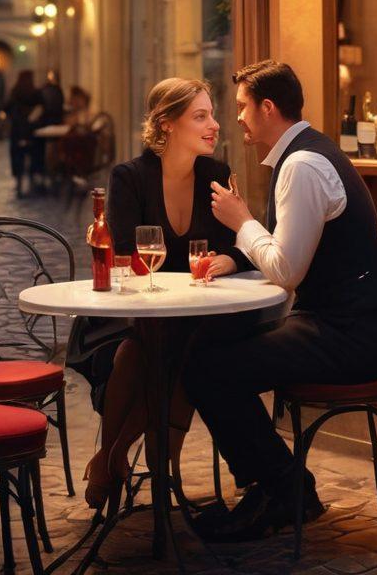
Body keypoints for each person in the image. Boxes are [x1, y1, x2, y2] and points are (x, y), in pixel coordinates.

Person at [182, 59, 377, 543]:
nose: (235, 117)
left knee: (207, 368)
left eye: (241, 107)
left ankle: (283, 489)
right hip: (340, 324)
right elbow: (290, 253)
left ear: (267, 107)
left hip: (350, 337)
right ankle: (276, 486)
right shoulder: (305, 155)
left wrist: (241, 220)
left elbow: (286, 272)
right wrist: (239, 259)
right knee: (207, 347)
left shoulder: (302, 165)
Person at [68, 77, 250, 511]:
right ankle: (155, 466)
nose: (215, 125)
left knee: (184, 347)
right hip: (130, 313)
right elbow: (126, 257)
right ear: (167, 124)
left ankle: (110, 457)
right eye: (200, 116)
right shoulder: (130, 177)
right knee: (150, 347)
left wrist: (228, 261)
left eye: (212, 114)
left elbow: (244, 240)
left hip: (196, 312)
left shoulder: (216, 175)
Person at [2, 70, 42, 197]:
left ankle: (19, 182)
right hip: (31, 129)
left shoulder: (15, 92)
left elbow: (6, 107)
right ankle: (32, 179)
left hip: (17, 129)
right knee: (33, 153)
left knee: (17, 155)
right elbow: (42, 107)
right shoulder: (35, 92)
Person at [30, 70, 65, 187]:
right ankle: (52, 172)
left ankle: (41, 171)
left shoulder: (44, 91)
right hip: (54, 123)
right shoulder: (57, 91)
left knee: (42, 147)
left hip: (46, 124)